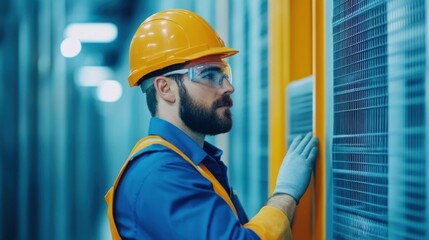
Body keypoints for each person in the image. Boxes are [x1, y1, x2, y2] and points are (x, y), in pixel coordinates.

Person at [105, 9, 319, 240]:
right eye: (208, 74)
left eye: (224, 73)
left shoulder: (192, 164)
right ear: (165, 89)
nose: (228, 87)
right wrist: (285, 195)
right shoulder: (161, 175)